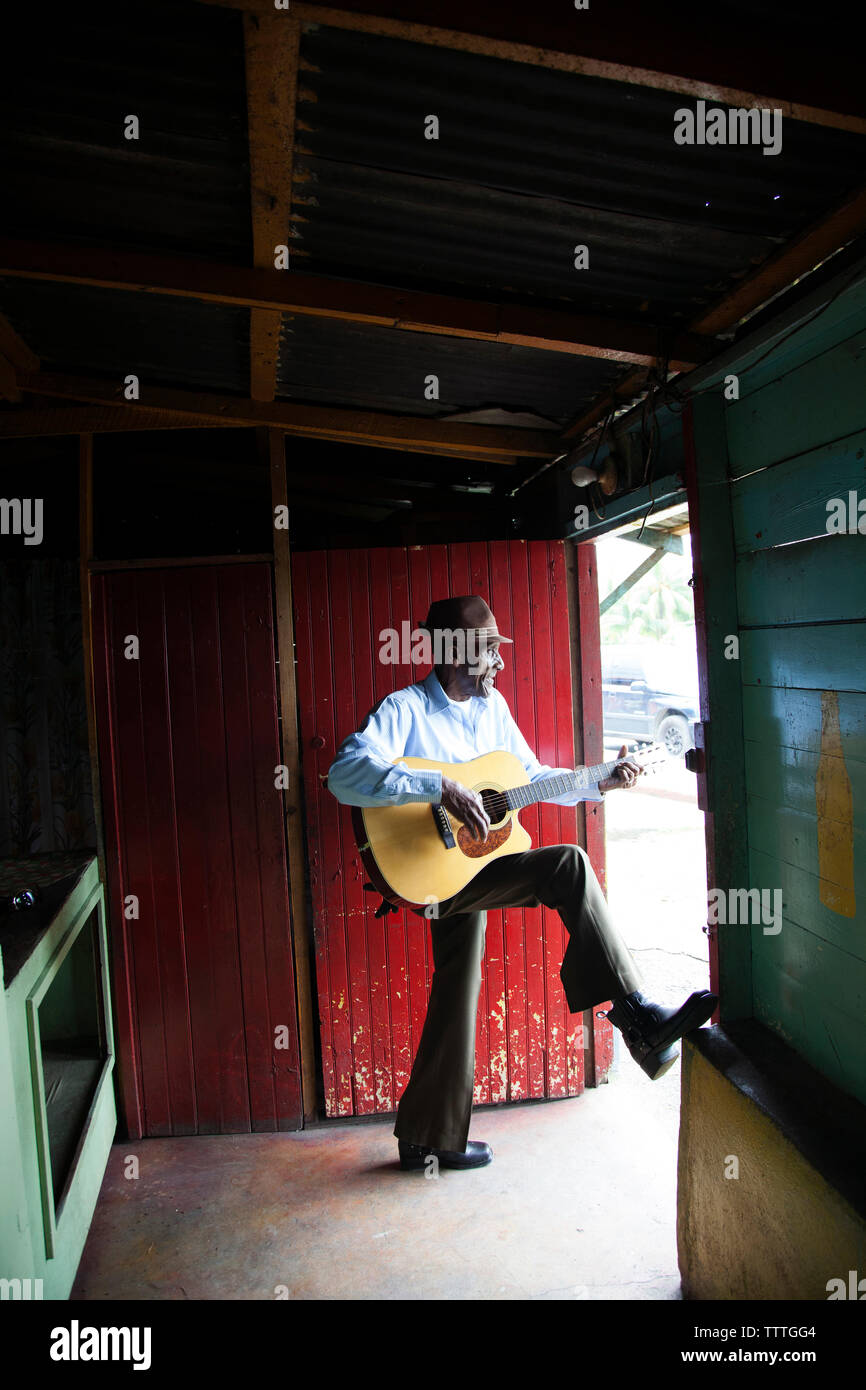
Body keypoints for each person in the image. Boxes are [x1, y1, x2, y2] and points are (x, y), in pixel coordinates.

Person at [327, 595, 716, 1172]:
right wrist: (438, 787)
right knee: (568, 866)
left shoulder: (493, 708)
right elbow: (343, 774)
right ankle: (637, 1015)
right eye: (488, 649)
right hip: (426, 871)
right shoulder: (404, 710)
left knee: (457, 984)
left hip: (470, 865)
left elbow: (530, 780)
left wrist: (601, 780)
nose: (499, 662)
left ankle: (427, 1138)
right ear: (453, 652)